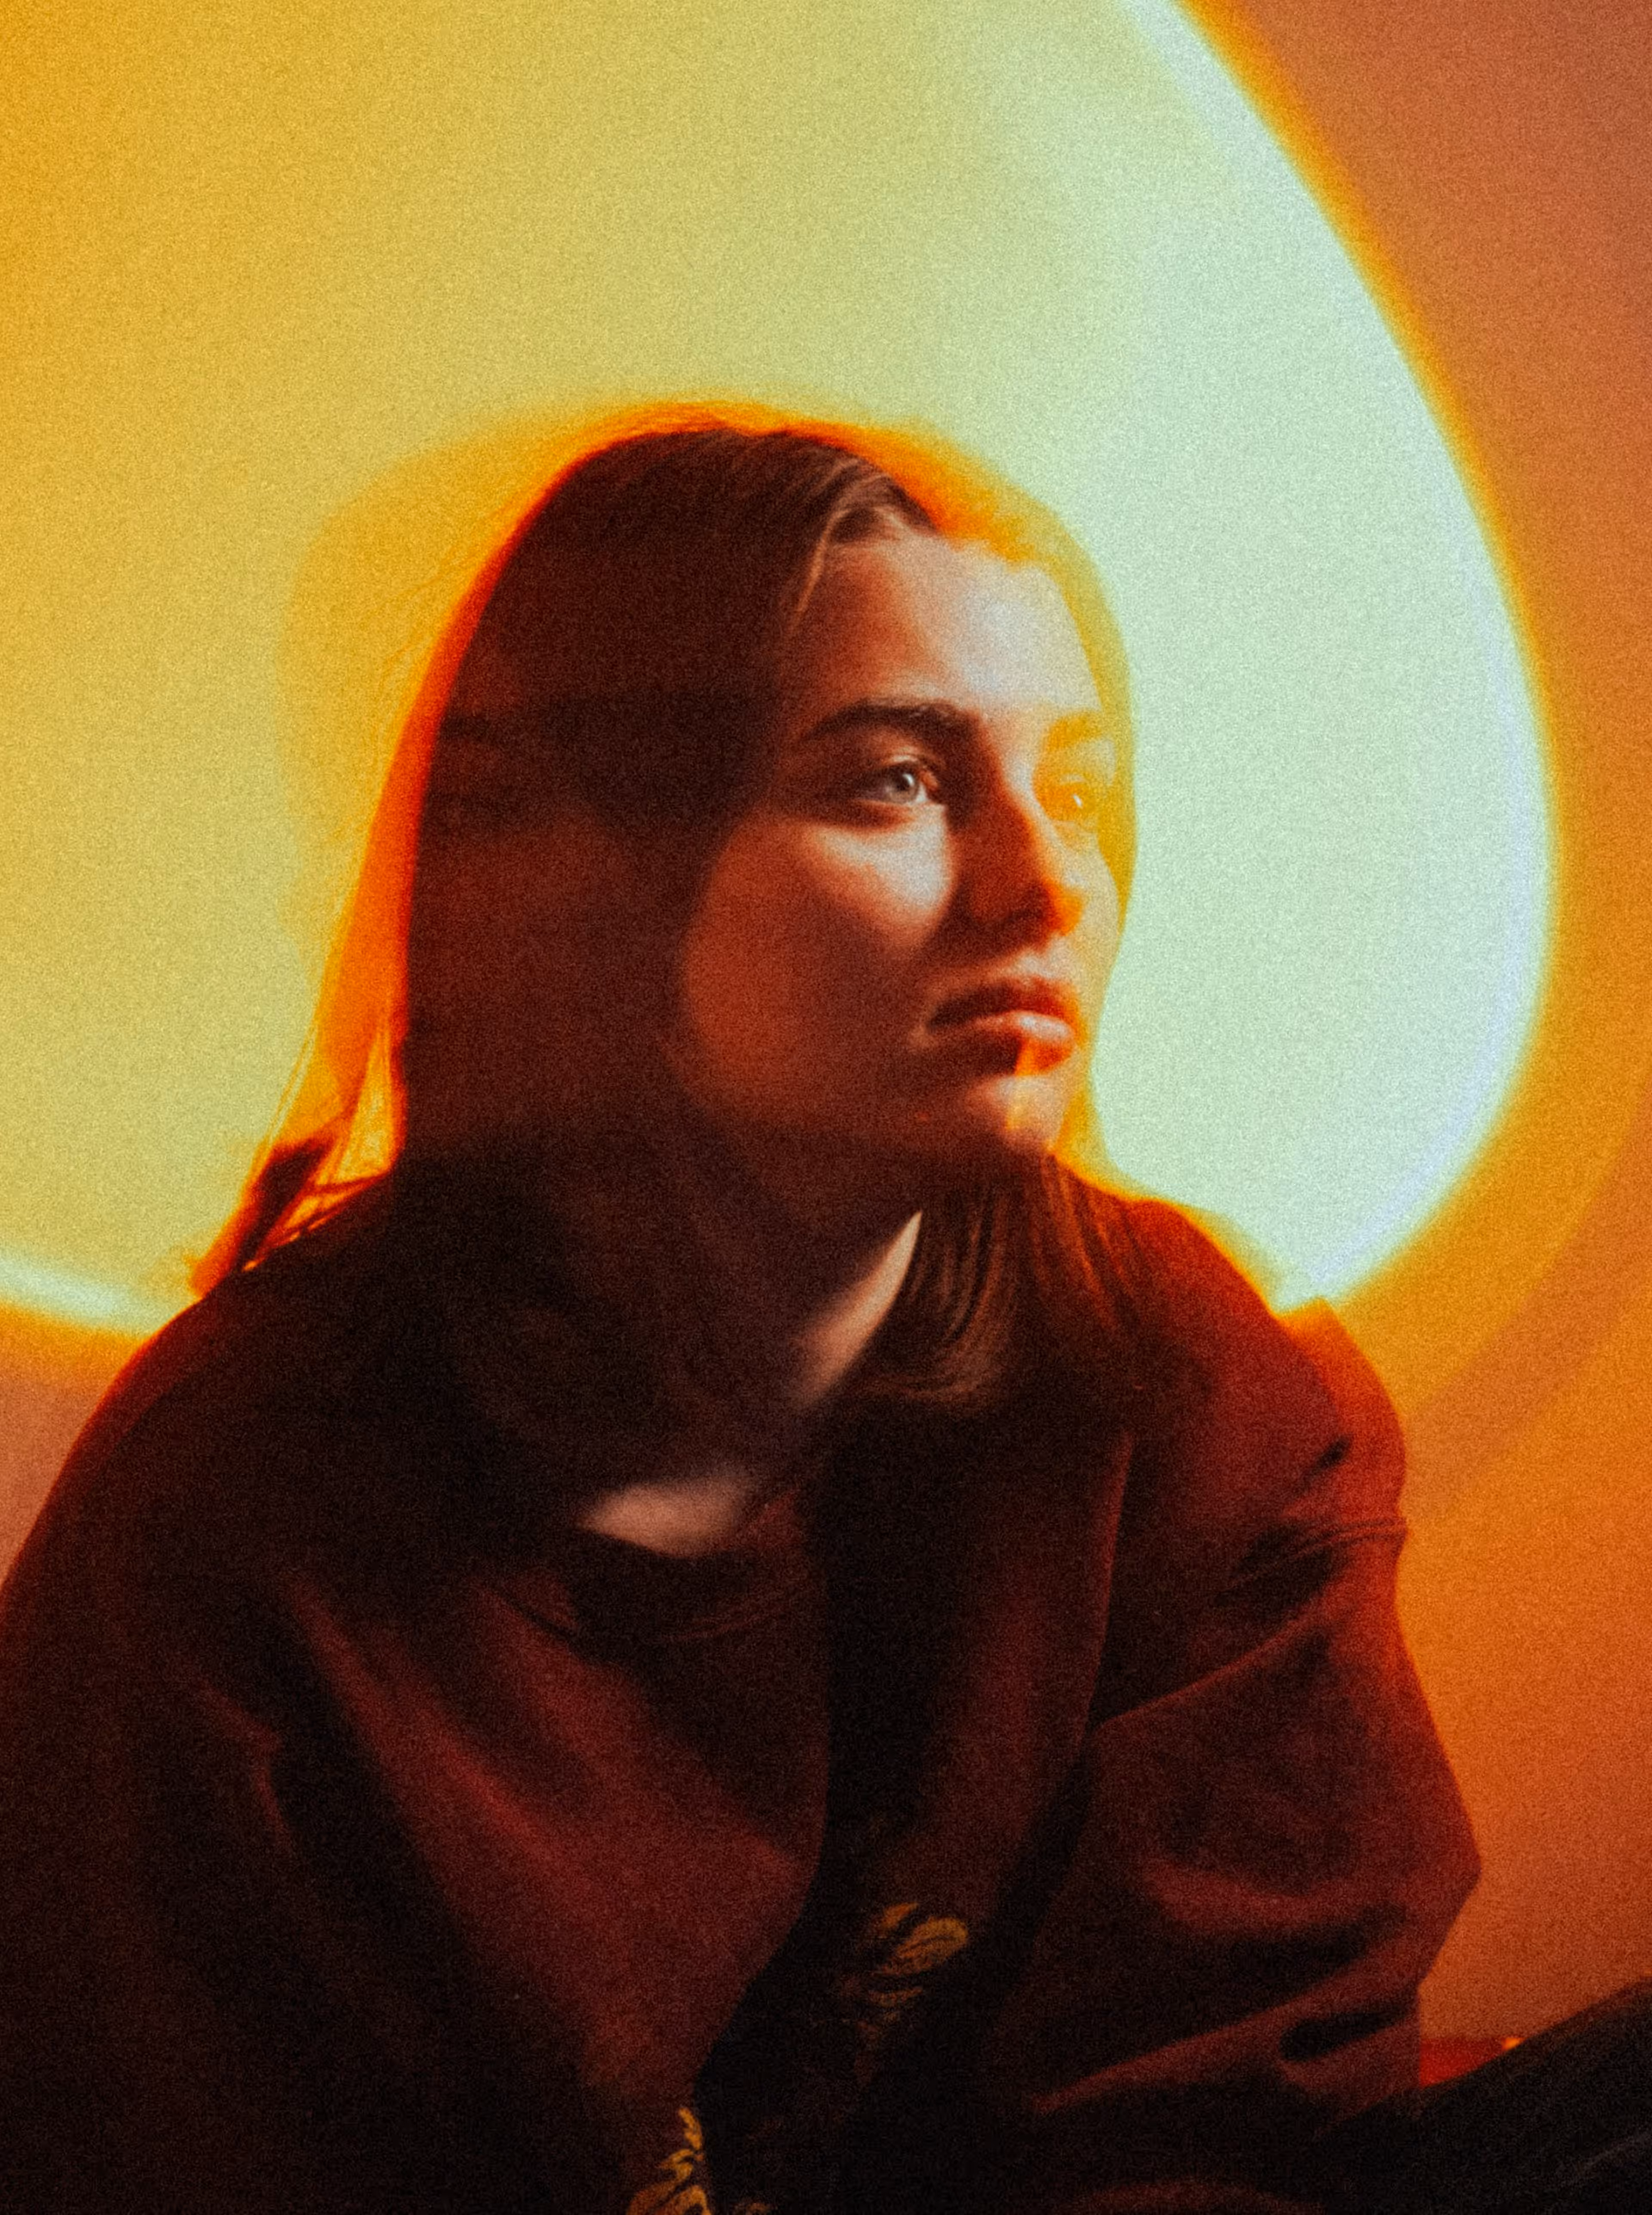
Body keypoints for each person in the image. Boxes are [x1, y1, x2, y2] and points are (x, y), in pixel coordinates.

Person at [0, 411, 1641, 2215]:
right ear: (602, 873)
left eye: (1075, 790)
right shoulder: (242, 1528)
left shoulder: (1188, 1397)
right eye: (899, 781)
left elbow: (1223, 2136)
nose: (1044, 883)